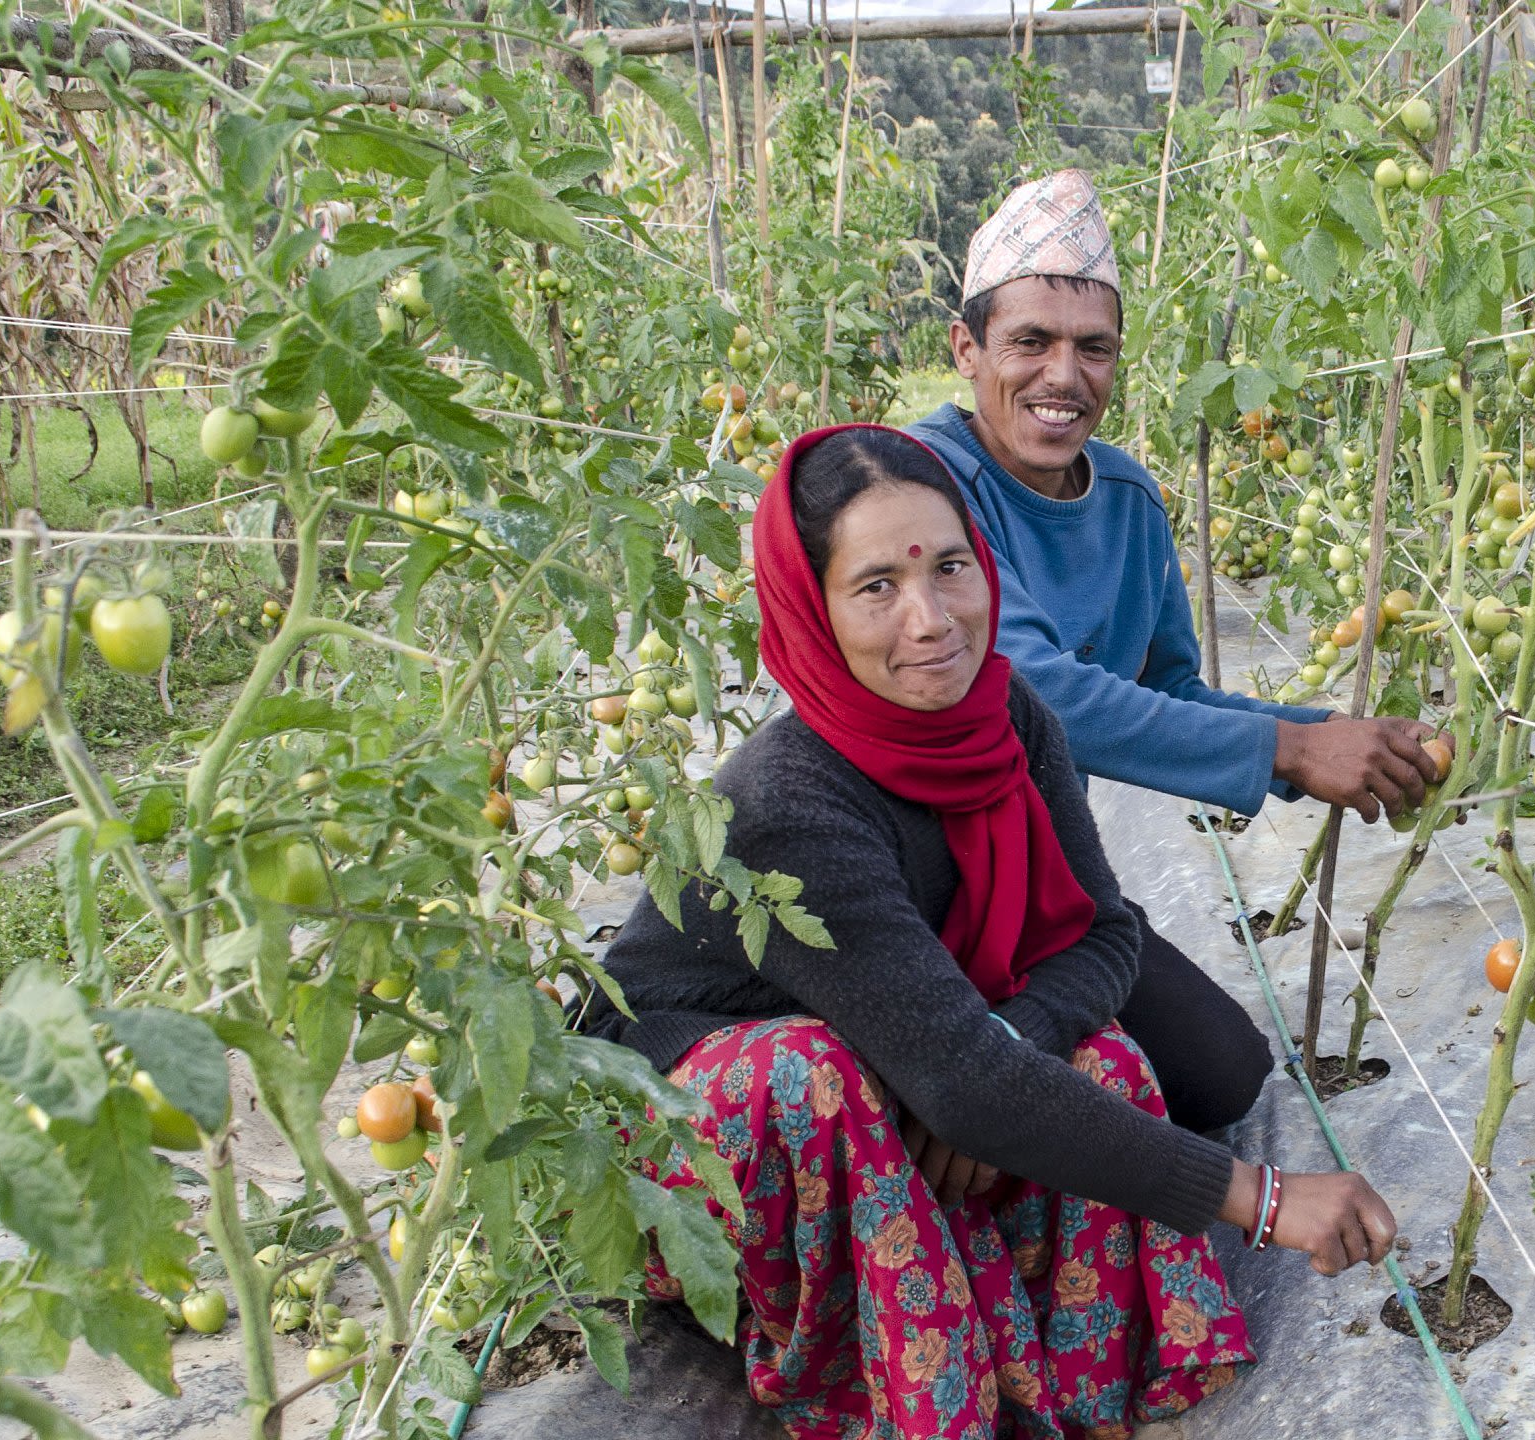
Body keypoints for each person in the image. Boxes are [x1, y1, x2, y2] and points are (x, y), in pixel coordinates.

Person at [587, 425, 1400, 1440]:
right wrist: (1261, 1197)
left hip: (889, 1028)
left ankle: (1080, 1387)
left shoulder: (1008, 713)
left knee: (1097, 1059)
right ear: (813, 610)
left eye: (951, 568)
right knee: (814, 1076)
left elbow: (1103, 936)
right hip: (685, 1131)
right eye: (876, 585)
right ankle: (893, 1392)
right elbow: (964, 1084)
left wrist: (1001, 1046)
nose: (929, 620)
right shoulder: (790, 803)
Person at [905, 170, 1450, 1131]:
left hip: (1037, 869)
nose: (1063, 377)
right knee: (973, 1093)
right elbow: (1030, 690)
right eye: (1029, 341)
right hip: (904, 869)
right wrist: (1290, 750)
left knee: (1219, 1074)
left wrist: (1324, 733)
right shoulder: (923, 477)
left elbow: (1165, 687)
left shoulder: (1125, 498)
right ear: (967, 349)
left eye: (1094, 348)